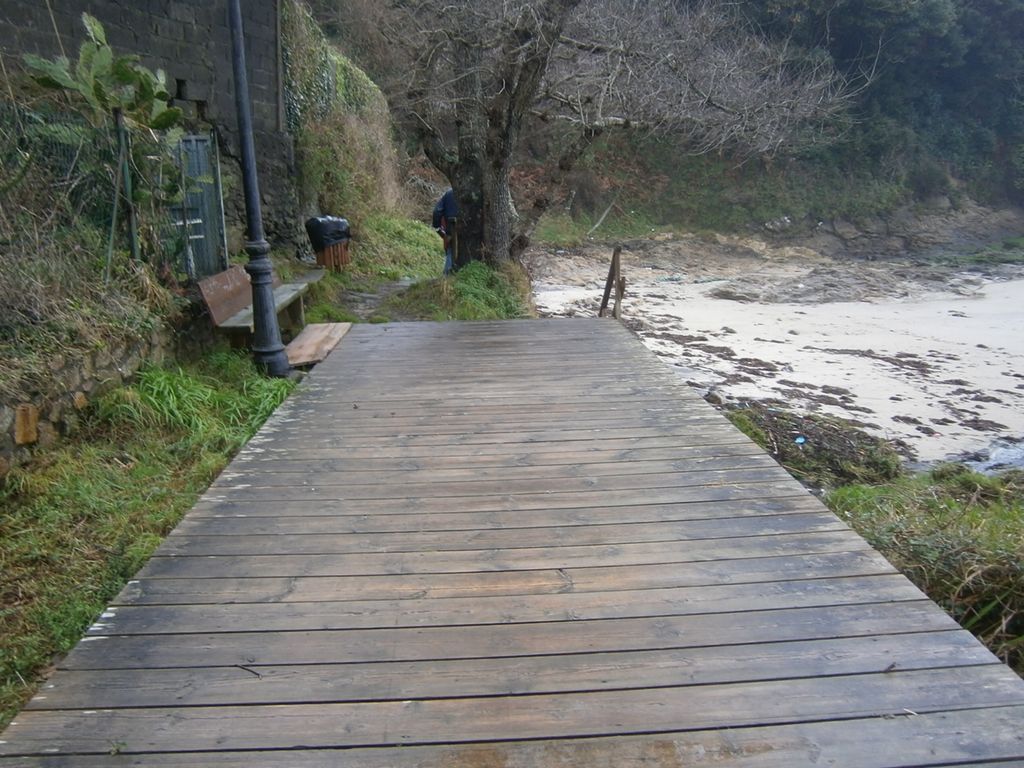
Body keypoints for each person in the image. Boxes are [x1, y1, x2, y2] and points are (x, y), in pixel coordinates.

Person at [432, 188, 458, 275]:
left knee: (450, 252)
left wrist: (437, 227)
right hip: (471, 231)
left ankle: (447, 279)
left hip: (451, 229)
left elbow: (437, 211)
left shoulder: (449, 193)